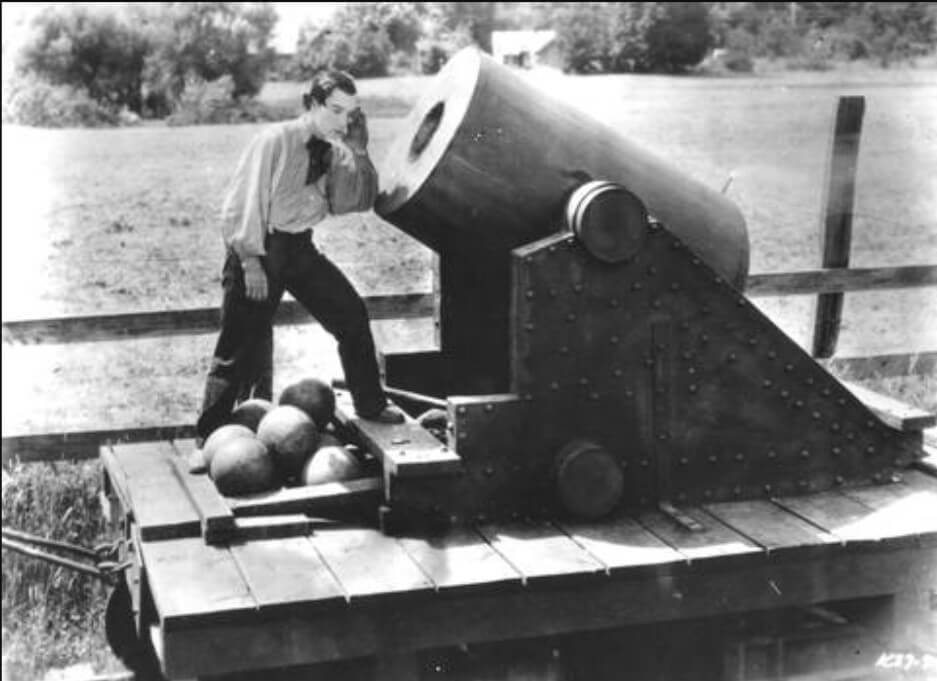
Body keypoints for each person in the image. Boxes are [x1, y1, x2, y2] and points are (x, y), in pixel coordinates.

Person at [196, 69, 404, 441]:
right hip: (261, 248)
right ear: (311, 104)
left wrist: (358, 150)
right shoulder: (274, 140)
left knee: (352, 316)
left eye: (351, 113)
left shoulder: (337, 151)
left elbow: (354, 202)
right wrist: (250, 262)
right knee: (237, 349)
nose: (344, 121)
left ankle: (370, 404)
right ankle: (207, 437)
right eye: (336, 111)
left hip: (299, 249)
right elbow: (243, 203)